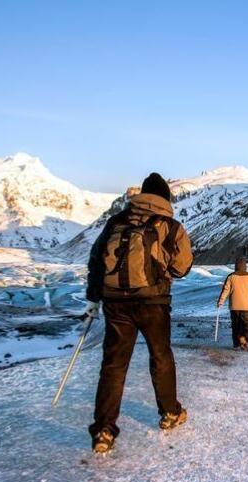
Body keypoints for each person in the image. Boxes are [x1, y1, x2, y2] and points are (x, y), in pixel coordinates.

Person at [84, 172, 193, 455]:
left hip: (115, 303)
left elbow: (96, 261)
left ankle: (104, 430)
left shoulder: (117, 221)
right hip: (153, 301)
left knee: (114, 365)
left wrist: (93, 299)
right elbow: (183, 267)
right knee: (161, 356)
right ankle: (170, 413)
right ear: (165, 198)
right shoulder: (170, 225)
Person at [217, 257, 248, 351]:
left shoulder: (231, 276)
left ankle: (236, 344)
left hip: (234, 307)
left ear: (236, 266)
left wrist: (220, 302)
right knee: (246, 326)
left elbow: (225, 290)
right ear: (245, 266)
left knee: (236, 326)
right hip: (246, 306)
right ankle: (246, 342)